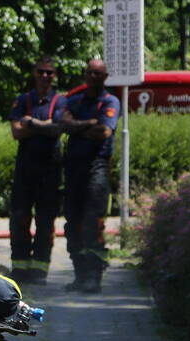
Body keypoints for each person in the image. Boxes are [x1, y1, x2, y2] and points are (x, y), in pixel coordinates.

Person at [61, 58, 120, 294]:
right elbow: (63, 123)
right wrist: (88, 124)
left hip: (97, 168)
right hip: (74, 168)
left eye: (98, 74)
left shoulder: (111, 101)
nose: (93, 77)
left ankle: (94, 276)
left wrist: (78, 127)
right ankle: (79, 275)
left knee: (92, 224)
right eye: (89, 73)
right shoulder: (75, 100)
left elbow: (104, 132)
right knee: (72, 224)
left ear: (105, 77)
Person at [7, 56, 66, 285]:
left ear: (54, 76)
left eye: (49, 72)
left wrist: (31, 123)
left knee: (45, 222)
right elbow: (16, 132)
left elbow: (58, 129)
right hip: (25, 170)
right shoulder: (23, 100)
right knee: (19, 218)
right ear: (34, 73)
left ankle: (40, 271)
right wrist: (45, 126)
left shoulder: (60, 101)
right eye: (41, 71)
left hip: (50, 171)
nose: (45, 76)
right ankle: (20, 269)